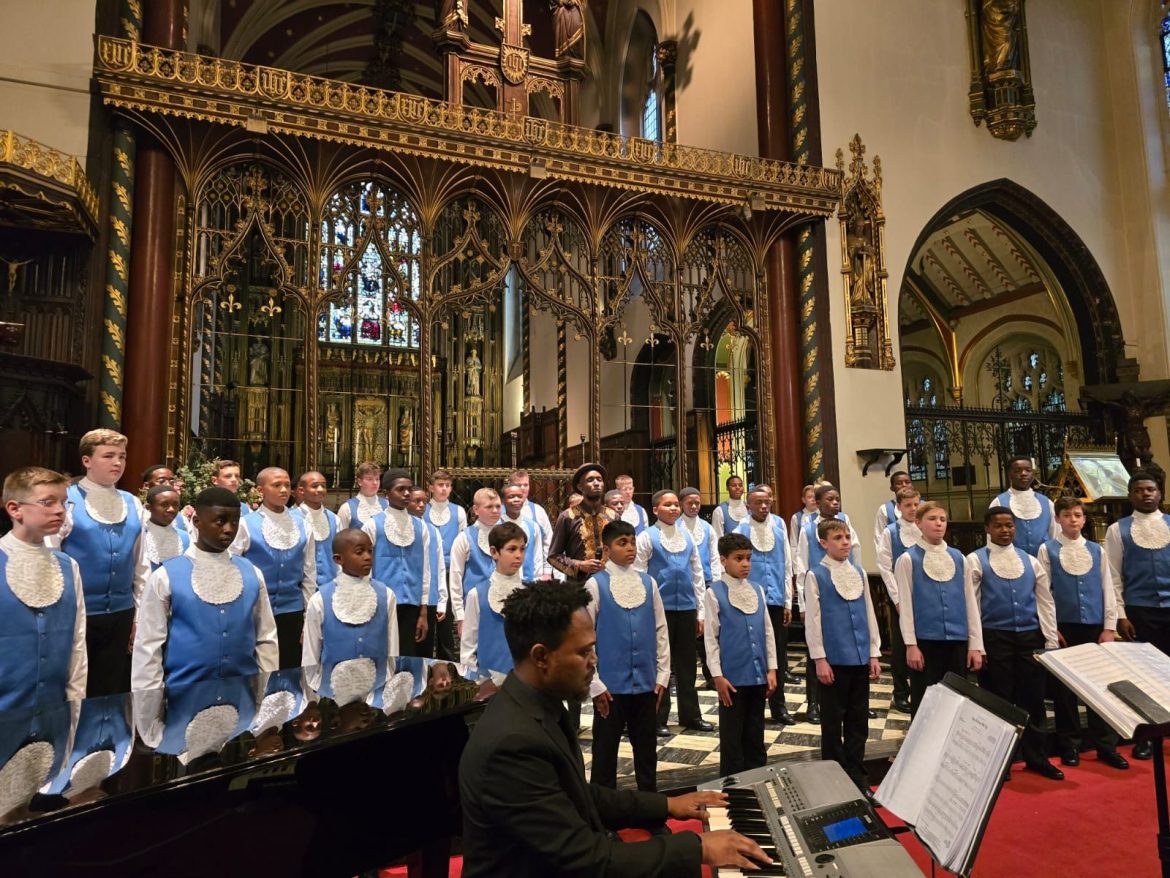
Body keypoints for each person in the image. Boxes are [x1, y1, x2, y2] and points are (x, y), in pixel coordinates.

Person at [458, 579, 770, 878]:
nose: (594, 660)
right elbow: (588, 860)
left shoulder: (539, 707)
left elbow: (578, 795)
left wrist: (667, 804)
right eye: (583, 652)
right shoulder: (511, 743)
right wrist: (697, 847)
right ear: (541, 656)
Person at [132, 487, 279, 690]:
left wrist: (265, 689)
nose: (229, 529)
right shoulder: (165, 576)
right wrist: (150, 707)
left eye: (235, 521)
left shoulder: (252, 573)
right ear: (197, 522)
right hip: (183, 696)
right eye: (220, 521)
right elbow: (148, 647)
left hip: (242, 695)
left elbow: (266, 637)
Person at [970, 507, 1062, 780]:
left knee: (1033, 700)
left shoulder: (1030, 561)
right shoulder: (975, 560)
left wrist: (1050, 639)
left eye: (1009, 525)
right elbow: (972, 605)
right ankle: (1001, 763)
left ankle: (1037, 757)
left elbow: (1045, 602)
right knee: (1000, 700)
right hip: (994, 637)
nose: (1005, 530)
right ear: (987, 529)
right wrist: (977, 645)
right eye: (998, 526)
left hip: (1029, 636)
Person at [1038, 497, 1127, 770]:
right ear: (1058, 519)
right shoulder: (1047, 549)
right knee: (1065, 691)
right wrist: (1052, 628)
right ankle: (1069, 745)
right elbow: (1044, 592)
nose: (1073, 519)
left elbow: (1107, 588)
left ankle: (1105, 745)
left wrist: (1109, 626)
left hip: (1095, 626)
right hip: (1065, 627)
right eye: (1067, 515)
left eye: (1077, 515)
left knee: (1100, 687)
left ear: (1084, 519)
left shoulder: (1096, 550)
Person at [55, 428, 146, 696]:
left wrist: (138, 616)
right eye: (108, 456)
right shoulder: (67, 501)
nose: (117, 463)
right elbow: (53, 561)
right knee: (75, 688)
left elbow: (140, 565)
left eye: (122, 456)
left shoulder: (133, 503)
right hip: (77, 614)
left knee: (109, 689)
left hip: (121, 613)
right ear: (87, 461)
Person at [586, 520, 669, 792]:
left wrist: (663, 676)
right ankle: (604, 816)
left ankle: (650, 810)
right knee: (605, 753)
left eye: (632, 541)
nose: (630, 547)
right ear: (607, 549)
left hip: (646, 682)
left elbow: (660, 629)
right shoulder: (595, 585)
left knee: (647, 753)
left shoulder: (648, 582)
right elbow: (585, 638)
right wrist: (594, 683)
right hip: (610, 686)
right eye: (622, 543)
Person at [804, 519, 882, 795]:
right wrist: (820, 659)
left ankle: (857, 775)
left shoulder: (859, 572)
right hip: (833, 660)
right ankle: (833, 779)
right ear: (824, 543)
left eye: (847, 536)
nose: (845, 542)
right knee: (832, 720)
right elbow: (813, 621)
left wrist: (874, 652)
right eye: (838, 537)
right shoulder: (816, 575)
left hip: (860, 656)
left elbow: (869, 612)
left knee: (857, 720)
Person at [0, 467, 86, 707]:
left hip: (54, 710)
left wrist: (74, 706)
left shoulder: (68, 567)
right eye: (48, 502)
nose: (59, 510)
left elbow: (77, 645)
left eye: (63, 502)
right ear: (15, 509)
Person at [894, 501, 983, 716]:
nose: (938, 524)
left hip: (957, 641)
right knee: (925, 702)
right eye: (932, 519)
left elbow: (970, 602)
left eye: (942, 519)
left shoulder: (959, 557)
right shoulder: (908, 559)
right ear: (918, 523)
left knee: (955, 702)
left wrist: (975, 645)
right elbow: (905, 606)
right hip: (925, 642)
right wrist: (911, 645)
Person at [1105, 470, 1170, 761]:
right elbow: (1114, 576)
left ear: (1160, 493)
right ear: (1131, 495)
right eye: (1140, 490)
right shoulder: (1118, 530)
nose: (1146, 494)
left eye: (1151, 489)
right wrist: (1120, 614)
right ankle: (1146, 736)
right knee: (1144, 675)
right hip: (1140, 609)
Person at [636, 489, 710, 735]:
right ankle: (658, 717)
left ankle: (691, 715)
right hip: (660, 611)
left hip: (687, 608)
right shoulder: (647, 537)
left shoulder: (687, 536)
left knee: (688, 666)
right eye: (668, 505)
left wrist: (700, 612)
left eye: (676, 504)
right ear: (655, 510)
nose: (674, 509)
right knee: (662, 666)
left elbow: (697, 574)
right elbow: (640, 576)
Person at [706, 533, 777, 775]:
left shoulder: (756, 590)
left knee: (755, 736)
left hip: (757, 675)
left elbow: (767, 631)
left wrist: (772, 669)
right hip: (732, 678)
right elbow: (711, 639)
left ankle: (758, 785)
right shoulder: (714, 592)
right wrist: (717, 675)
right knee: (732, 739)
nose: (745, 564)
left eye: (748, 558)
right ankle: (734, 791)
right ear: (724, 560)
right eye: (739, 559)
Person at [231, 467, 316, 669]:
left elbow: (309, 572)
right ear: (260, 491)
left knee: (289, 666)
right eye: (277, 485)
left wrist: (308, 616)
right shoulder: (246, 524)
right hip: (254, 609)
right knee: (258, 666)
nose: (284, 490)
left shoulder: (303, 524)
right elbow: (234, 568)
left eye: (287, 485)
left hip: (292, 610)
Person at [794, 484, 863, 723]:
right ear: (818, 501)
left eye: (838, 499)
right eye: (830, 499)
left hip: (846, 586)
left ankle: (852, 703)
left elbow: (856, 551)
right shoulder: (808, 528)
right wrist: (802, 603)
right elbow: (802, 565)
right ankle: (814, 703)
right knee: (817, 649)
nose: (835, 503)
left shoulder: (845, 521)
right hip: (819, 589)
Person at [733, 486, 796, 725]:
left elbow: (786, 565)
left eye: (766, 502)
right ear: (748, 506)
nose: (763, 506)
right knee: (754, 653)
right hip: (751, 602)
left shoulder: (779, 526)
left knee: (777, 654)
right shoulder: (741, 529)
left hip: (777, 599)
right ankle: (754, 706)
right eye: (757, 502)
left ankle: (779, 707)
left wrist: (788, 600)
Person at [301, 529, 399, 670]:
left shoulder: (386, 595)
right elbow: (310, 652)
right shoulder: (320, 599)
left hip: (376, 682)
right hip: (332, 685)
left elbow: (393, 645)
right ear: (338, 559)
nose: (367, 557)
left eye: (370, 551)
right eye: (359, 552)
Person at [361, 469, 431, 657]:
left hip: (412, 604)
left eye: (409, 489)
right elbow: (364, 571)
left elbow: (425, 570)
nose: (407, 493)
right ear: (386, 494)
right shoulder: (373, 525)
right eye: (401, 489)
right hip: (380, 604)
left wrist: (423, 611)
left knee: (407, 656)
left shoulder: (420, 526)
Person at [874, 487, 921, 714]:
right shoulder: (890, 532)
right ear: (899, 507)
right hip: (900, 598)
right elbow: (885, 566)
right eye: (908, 505)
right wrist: (897, 598)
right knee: (902, 647)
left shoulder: (924, 528)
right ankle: (901, 692)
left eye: (916, 504)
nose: (913, 509)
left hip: (923, 597)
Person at [461, 521, 529, 675]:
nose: (519, 555)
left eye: (522, 549)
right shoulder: (477, 595)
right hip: (489, 684)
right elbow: (468, 649)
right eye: (511, 549)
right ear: (494, 552)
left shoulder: (531, 593)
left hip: (525, 684)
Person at [548, 463, 618, 588]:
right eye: (590, 480)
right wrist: (579, 565)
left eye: (599, 479)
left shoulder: (613, 516)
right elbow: (553, 557)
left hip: (611, 584)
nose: (596, 483)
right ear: (580, 487)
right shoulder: (567, 516)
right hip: (580, 587)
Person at [448, 487, 504, 639]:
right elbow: (455, 578)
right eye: (489, 507)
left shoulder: (510, 534)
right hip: (474, 610)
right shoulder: (464, 538)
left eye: (498, 506)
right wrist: (460, 616)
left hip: (505, 609)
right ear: (476, 510)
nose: (495, 510)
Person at [679, 487, 721, 689]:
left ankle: (711, 674)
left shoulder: (707, 528)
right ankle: (679, 677)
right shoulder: (675, 527)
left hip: (705, 583)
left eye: (697, 502)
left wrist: (716, 582)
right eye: (690, 503)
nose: (694, 506)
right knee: (686, 633)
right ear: (681, 505)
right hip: (683, 587)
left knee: (707, 631)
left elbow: (714, 557)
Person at [425, 469, 467, 660]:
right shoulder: (422, 509)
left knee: (446, 618)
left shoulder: (458, 511)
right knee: (427, 615)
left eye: (447, 485)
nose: (444, 489)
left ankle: (447, 660)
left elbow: (462, 542)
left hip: (450, 570)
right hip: (427, 570)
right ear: (431, 487)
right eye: (440, 485)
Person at [991, 456, 1058, 556]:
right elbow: (992, 536)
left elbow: (1055, 534)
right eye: (1018, 470)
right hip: (1011, 560)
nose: (1023, 474)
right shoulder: (999, 502)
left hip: (1043, 560)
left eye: (1028, 470)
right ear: (1009, 474)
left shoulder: (1046, 503)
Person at [409, 485, 446, 658]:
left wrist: (442, 600)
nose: (421, 505)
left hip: (429, 598)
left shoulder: (433, 531)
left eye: (424, 501)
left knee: (424, 649)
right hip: (408, 597)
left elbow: (439, 567)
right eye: (416, 501)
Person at [291, 471, 339, 587]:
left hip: (330, 584)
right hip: (300, 585)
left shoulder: (334, 519)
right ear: (301, 490)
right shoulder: (291, 518)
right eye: (315, 486)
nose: (320, 489)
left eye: (323, 486)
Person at [502, 483, 548, 579]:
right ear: (503, 501)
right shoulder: (496, 525)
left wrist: (538, 579)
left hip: (528, 583)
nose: (516, 499)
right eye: (511, 497)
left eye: (520, 496)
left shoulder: (532, 526)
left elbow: (537, 556)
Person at [509, 469, 553, 569]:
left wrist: (547, 570)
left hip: (533, 573)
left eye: (526, 485)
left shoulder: (538, 511)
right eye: (519, 485)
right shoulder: (500, 511)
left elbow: (548, 542)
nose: (523, 488)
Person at [141, 484, 190, 570]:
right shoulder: (139, 536)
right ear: (149, 507)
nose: (171, 509)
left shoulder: (184, 538)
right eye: (164, 504)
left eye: (175, 505)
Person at [337, 461, 387, 530]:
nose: (375, 483)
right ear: (360, 482)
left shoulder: (387, 505)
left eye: (377, 479)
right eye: (370, 479)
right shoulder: (346, 508)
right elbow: (340, 538)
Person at [711, 474, 749, 539]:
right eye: (734, 485)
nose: (737, 487)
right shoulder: (719, 510)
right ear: (727, 488)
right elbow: (717, 538)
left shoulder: (750, 508)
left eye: (740, 485)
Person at [790, 484, 818, 553]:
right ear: (803, 500)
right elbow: (794, 543)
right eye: (809, 497)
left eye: (815, 497)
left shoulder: (824, 515)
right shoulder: (796, 517)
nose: (813, 499)